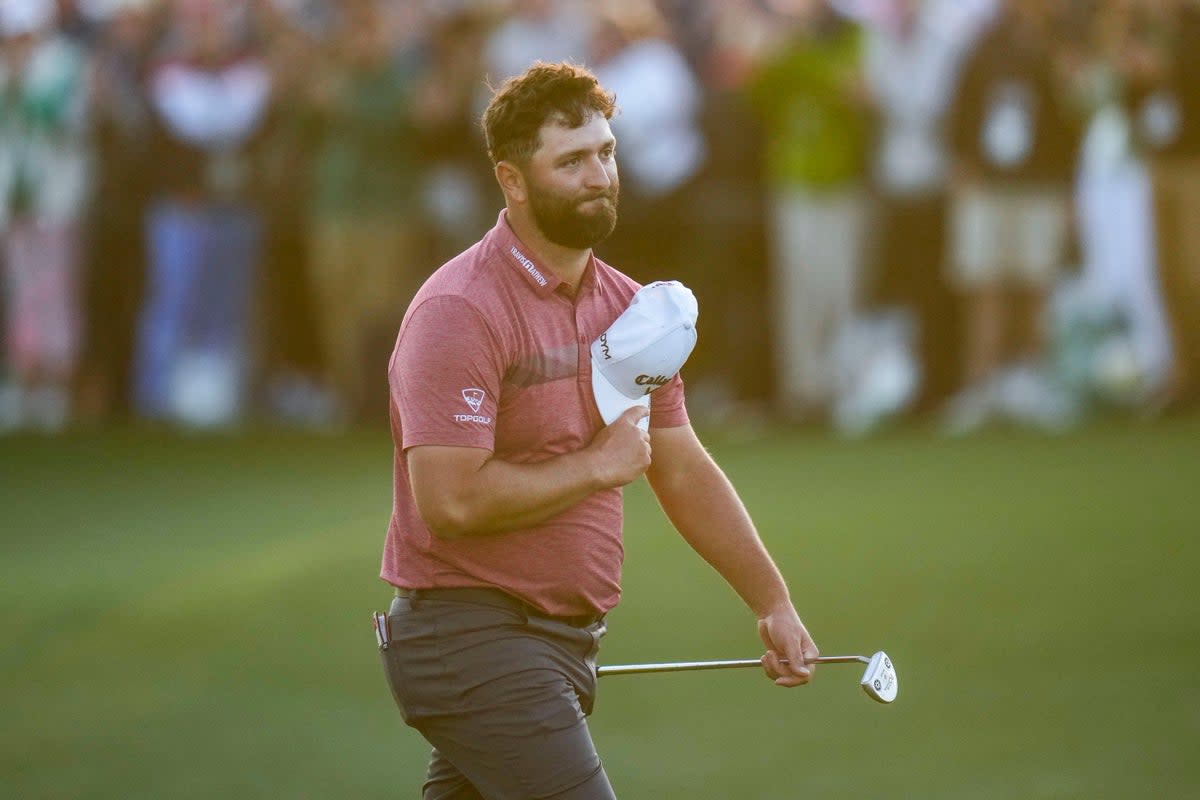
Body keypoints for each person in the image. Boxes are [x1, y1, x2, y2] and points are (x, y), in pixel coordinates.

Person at [377, 61, 820, 800]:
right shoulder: (460, 309)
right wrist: (596, 466)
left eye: (607, 153)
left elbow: (678, 465)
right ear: (512, 180)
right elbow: (449, 502)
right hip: (471, 639)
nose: (599, 176)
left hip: (559, 644)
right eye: (572, 161)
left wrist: (771, 602)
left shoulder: (631, 308)